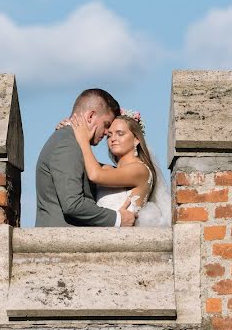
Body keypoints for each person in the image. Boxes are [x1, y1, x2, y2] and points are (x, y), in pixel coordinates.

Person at [35, 89, 137, 227]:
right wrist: (118, 219)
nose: (107, 133)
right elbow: (73, 204)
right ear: (90, 117)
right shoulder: (67, 144)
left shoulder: (70, 142)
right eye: (107, 125)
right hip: (62, 242)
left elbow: (94, 170)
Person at [65, 109, 157, 220]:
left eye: (120, 133)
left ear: (136, 140)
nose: (113, 139)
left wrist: (83, 139)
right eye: (109, 135)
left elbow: (95, 175)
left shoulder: (140, 170)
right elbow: (82, 161)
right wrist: (69, 130)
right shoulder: (107, 170)